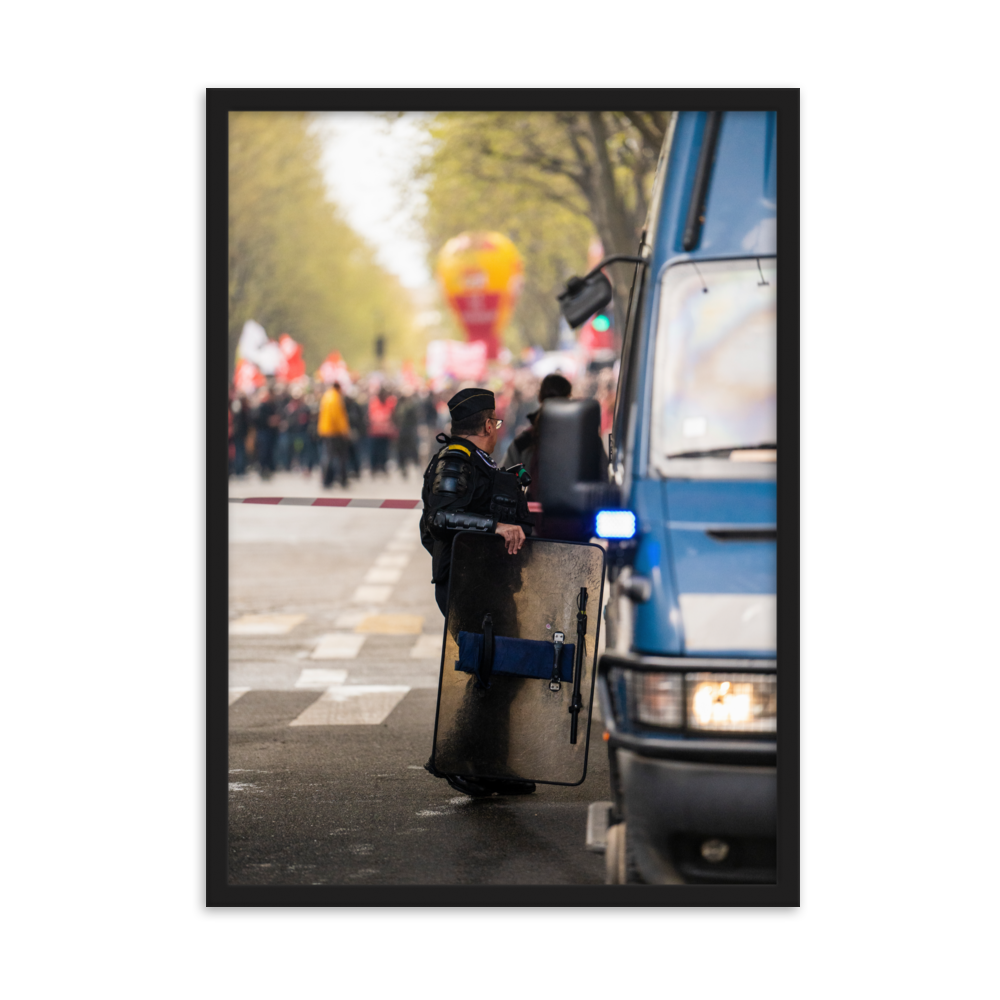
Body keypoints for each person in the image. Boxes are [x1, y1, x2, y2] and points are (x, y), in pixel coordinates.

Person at [420, 387, 537, 798]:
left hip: (491, 582)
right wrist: (495, 528)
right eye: (496, 423)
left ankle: (491, 764)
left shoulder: (483, 463)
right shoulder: (454, 460)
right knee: (491, 670)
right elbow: (440, 517)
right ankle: (457, 757)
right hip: (466, 585)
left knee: (505, 669)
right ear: (487, 425)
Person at [318, 381, 351, 488]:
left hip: (326, 430)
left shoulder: (326, 396)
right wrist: (344, 430)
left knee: (327, 455)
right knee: (338, 457)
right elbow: (338, 416)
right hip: (335, 431)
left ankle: (327, 480)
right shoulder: (335, 398)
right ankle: (339, 479)